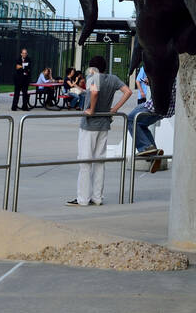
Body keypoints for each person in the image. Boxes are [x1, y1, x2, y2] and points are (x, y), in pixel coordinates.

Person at [67, 55, 131, 207]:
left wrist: (91, 109)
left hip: (89, 125)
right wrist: (114, 109)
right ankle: (97, 197)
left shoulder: (93, 77)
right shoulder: (113, 79)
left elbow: (94, 92)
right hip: (104, 123)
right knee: (99, 161)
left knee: (85, 161)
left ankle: (82, 198)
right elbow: (127, 91)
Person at [126, 66, 174, 159]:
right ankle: (153, 151)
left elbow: (161, 84)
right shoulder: (173, 70)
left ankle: (145, 148)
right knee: (141, 124)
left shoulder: (162, 68)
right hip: (168, 109)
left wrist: (151, 81)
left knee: (131, 119)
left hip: (156, 105)